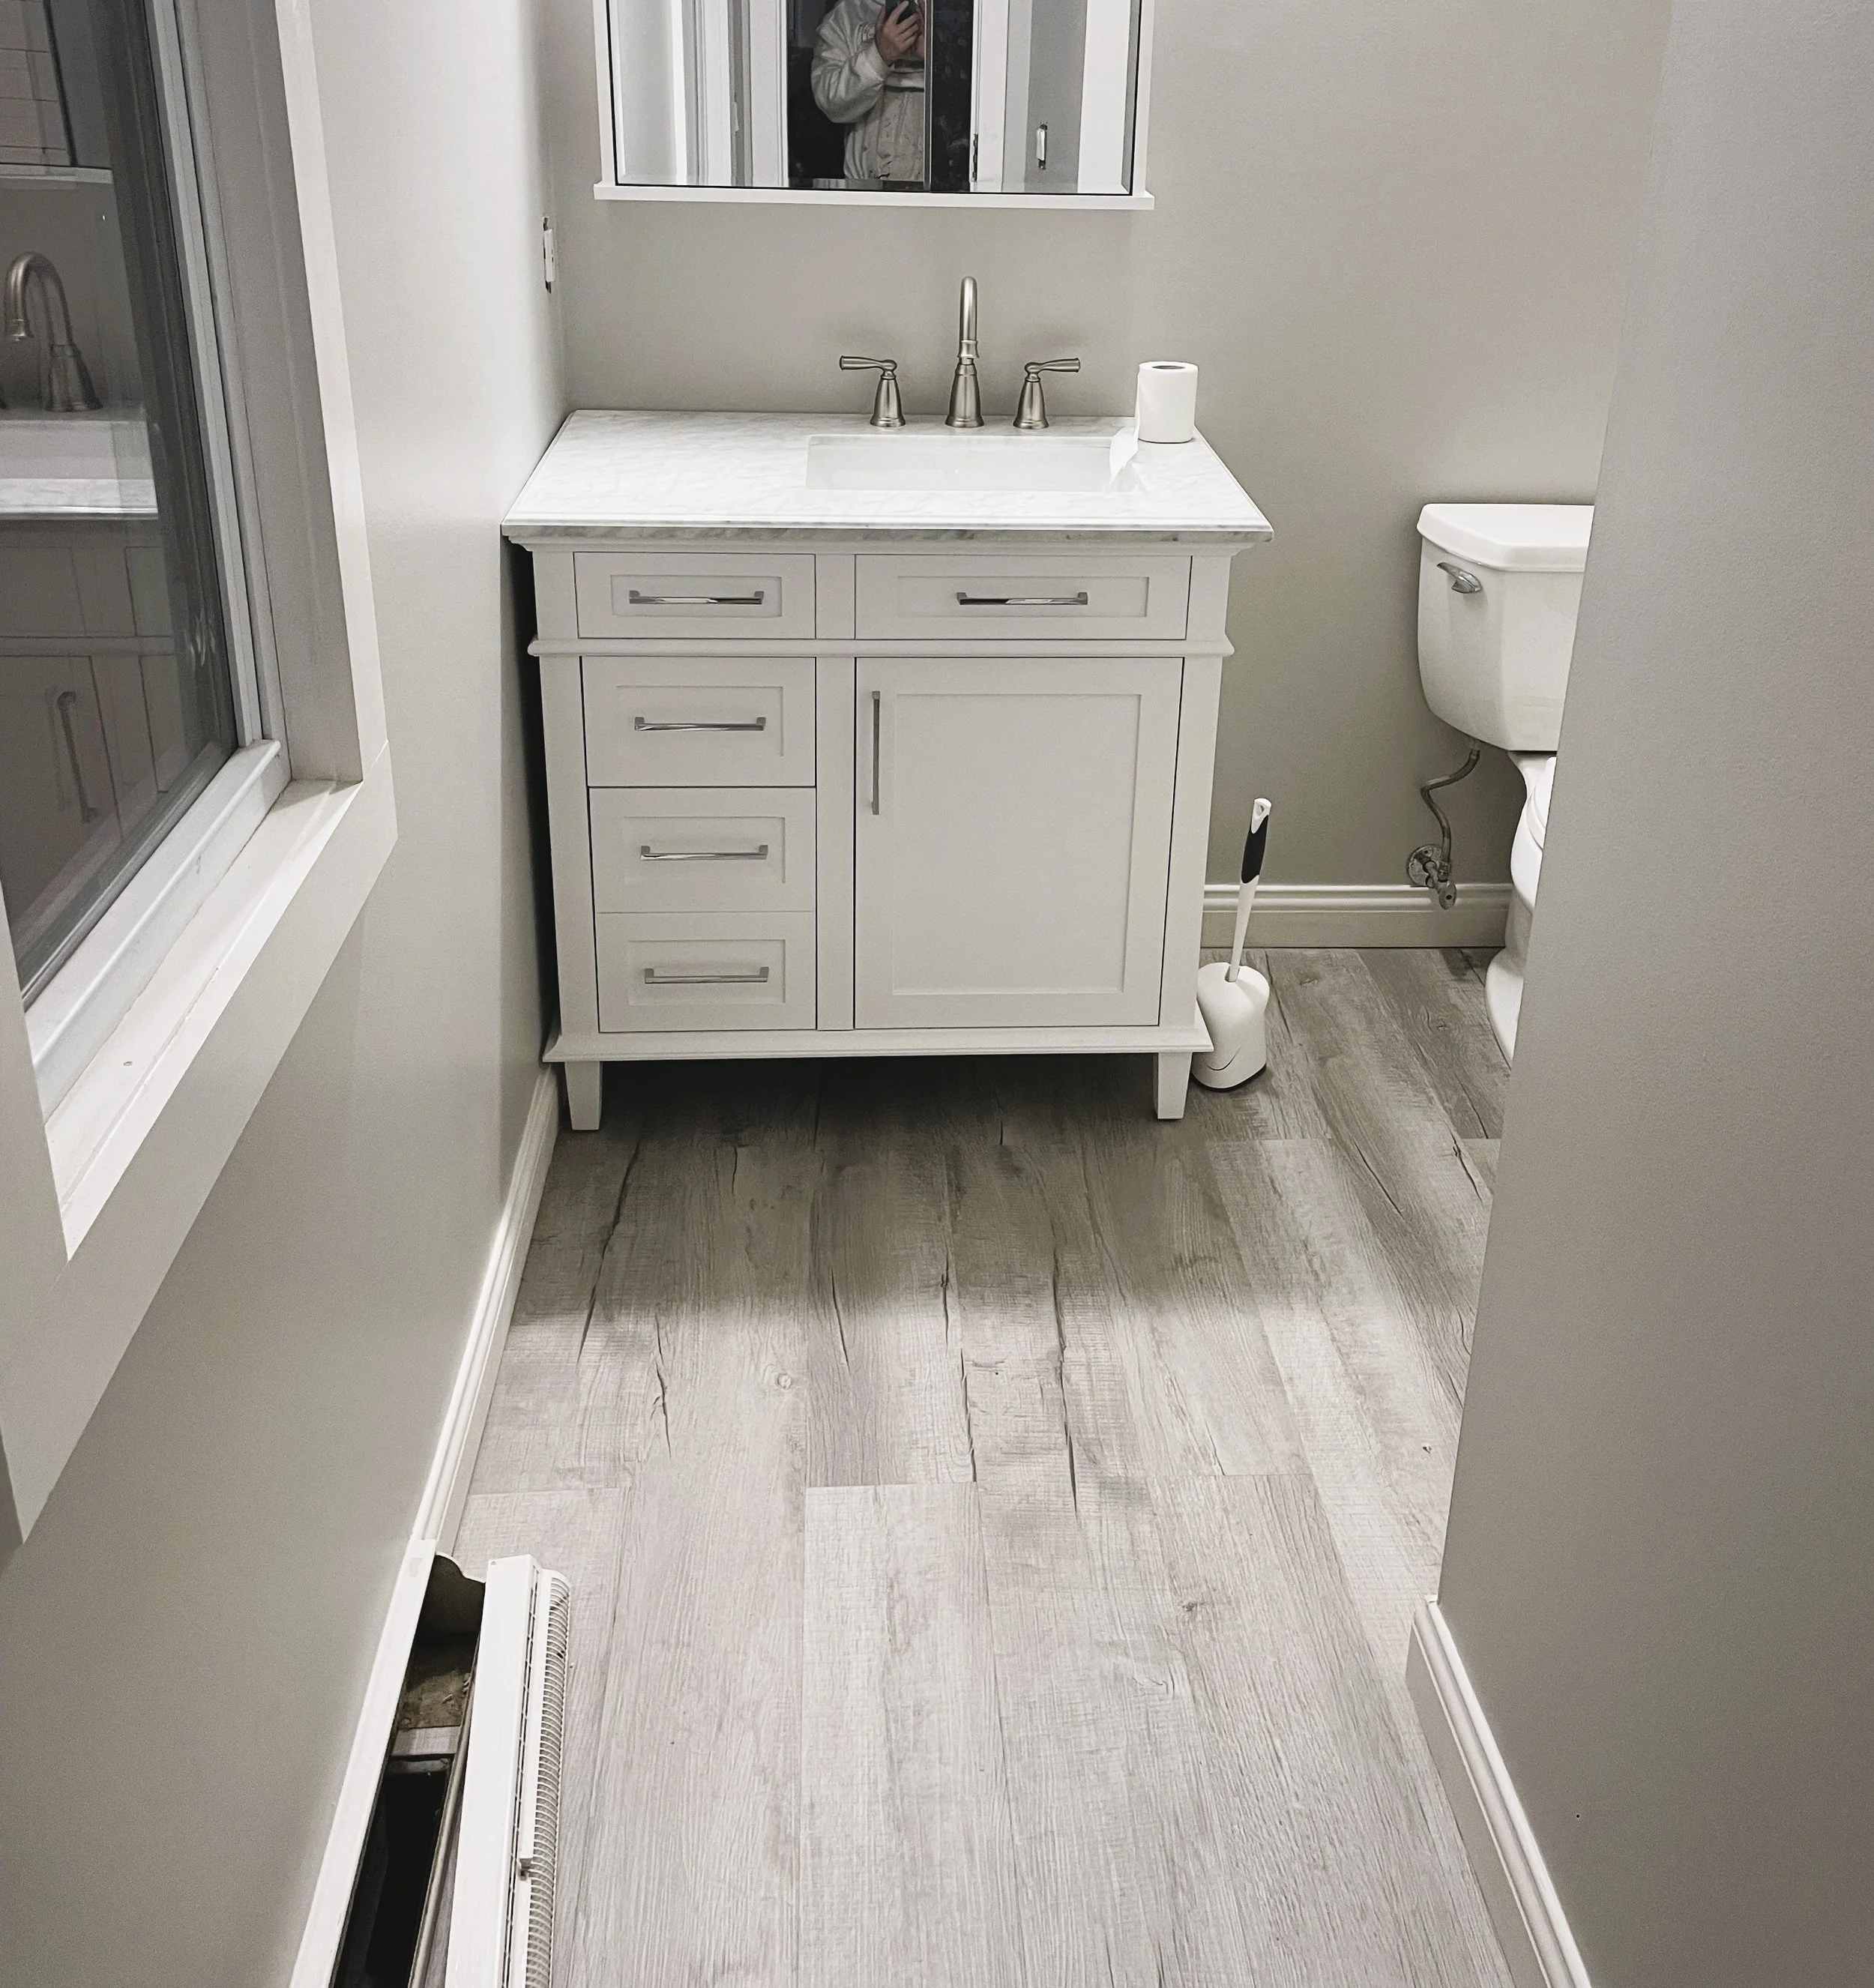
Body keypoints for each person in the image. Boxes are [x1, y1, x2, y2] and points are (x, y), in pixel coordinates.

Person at [811, 0, 926, 187]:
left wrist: (941, 48)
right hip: (865, 188)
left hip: (944, 193)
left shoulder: (962, 13)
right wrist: (879, 56)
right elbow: (829, 100)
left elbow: (981, 103)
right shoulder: (848, 14)